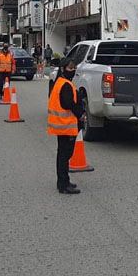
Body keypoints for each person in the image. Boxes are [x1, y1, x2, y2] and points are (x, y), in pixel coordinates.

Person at [47, 59, 85, 194]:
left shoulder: (60, 82)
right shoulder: (66, 85)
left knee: (63, 155)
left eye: (74, 68)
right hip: (66, 126)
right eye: (70, 68)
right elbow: (68, 103)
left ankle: (64, 181)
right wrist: (80, 113)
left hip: (62, 126)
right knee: (64, 156)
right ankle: (63, 184)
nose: (73, 71)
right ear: (63, 69)